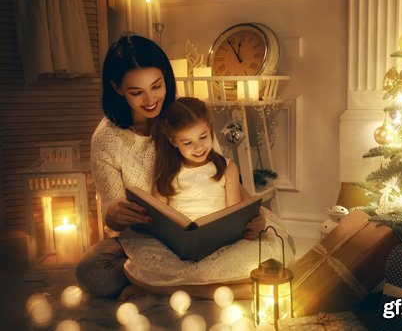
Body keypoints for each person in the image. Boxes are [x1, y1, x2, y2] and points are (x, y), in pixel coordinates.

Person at [76, 35, 291, 300]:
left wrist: (250, 213)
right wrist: (116, 213)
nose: (150, 99)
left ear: (166, 77)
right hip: (146, 237)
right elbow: (112, 223)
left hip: (209, 224)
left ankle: (156, 287)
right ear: (117, 89)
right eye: (136, 92)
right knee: (93, 270)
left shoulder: (183, 116)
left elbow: (219, 170)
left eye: (157, 86)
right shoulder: (106, 139)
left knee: (273, 245)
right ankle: (227, 288)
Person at [119, 97, 294, 297]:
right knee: (137, 266)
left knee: (257, 262)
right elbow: (160, 219)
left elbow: (234, 213)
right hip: (179, 247)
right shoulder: (167, 174)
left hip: (221, 244)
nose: (199, 147)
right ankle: (230, 291)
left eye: (203, 137)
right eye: (188, 142)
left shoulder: (226, 168)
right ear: (173, 141)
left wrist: (251, 229)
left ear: (210, 129)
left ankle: (164, 290)